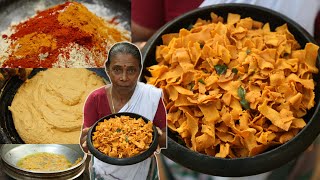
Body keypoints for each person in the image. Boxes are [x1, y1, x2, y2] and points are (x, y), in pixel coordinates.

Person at [80, 42, 167, 180]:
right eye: (117, 70)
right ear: (107, 69)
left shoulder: (152, 97)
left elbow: (165, 138)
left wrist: (153, 139)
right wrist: (86, 142)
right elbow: (85, 143)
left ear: (139, 70)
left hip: (143, 173)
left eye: (131, 70)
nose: (124, 77)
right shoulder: (94, 99)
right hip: (104, 173)